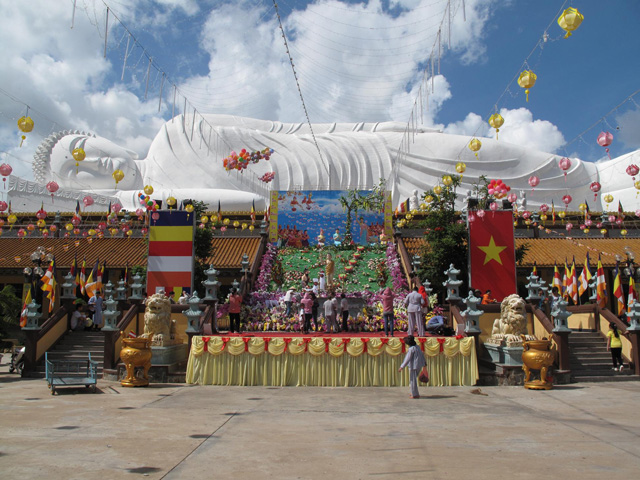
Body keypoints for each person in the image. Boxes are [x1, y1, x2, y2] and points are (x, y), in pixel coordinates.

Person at [29, 115, 637, 216]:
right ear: (79, 187)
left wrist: (363, 131)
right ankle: (596, 191)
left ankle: (591, 175)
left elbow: (278, 130)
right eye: (80, 167)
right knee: (462, 193)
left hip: (341, 150)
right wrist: (155, 203)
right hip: (316, 194)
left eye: (85, 144)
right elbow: (252, 206)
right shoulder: (155, 195)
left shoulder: (174, 130)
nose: (97, 159)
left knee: (463, 151)